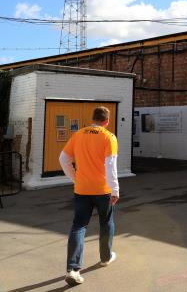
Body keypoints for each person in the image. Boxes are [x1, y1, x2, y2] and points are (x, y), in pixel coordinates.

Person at [59, 106, 120, 286]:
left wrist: (75, 177)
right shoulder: (109, 137)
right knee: (106, 222)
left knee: (79, 226)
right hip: (103, 190)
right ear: (107, 121)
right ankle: (105, 257)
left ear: (92, 118)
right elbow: (111, 166)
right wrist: (115, 189)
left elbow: (63, 158)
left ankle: (73, 269)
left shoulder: (78, 134)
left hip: (82, 189)